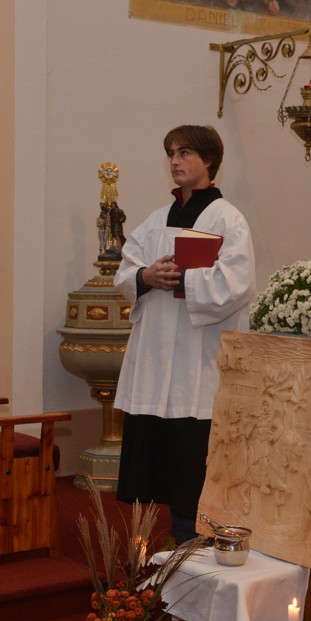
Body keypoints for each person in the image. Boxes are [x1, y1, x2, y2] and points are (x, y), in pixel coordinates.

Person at [113, 125, 255, 545]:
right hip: (156, 358)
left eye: (184, 153)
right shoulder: (156, 220)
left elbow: (236, 284)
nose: (174, 161)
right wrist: (145, 276)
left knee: (193, 458)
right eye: (171, 153)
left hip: (198, 358)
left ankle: (196, 539)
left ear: (208, 160)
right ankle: (164, 541)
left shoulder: (228, 219)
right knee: (158, 459)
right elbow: (125, 270)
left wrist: (182, 279)